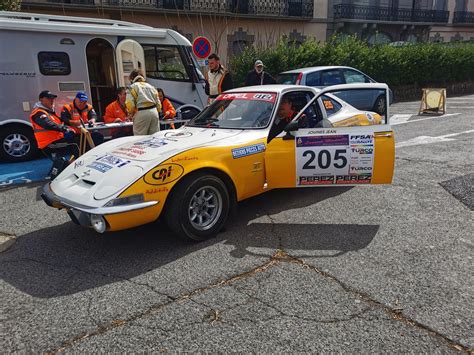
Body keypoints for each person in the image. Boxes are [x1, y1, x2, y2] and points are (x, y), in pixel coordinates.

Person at [29, 90, 78, 157]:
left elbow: (60, 122)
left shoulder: (49, 111)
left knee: (79, 138)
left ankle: (64, 162)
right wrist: (65, 128)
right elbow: (48, 124)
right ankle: (77, 164)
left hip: (56, 139)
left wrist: (72, 124)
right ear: (41, 100)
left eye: (52, 99)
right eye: (49, 98)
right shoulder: (38, 112)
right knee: (76, 143)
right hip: (48, 143)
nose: (51, 100)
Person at [126, 69, 162, 135]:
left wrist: (130, 113)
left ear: (132, 78)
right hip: (154, 113)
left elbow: (130, 104)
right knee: (155, 137)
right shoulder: (151, 87)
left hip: (141, 113)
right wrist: (158, 111)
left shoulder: (132, 87)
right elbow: (158, 104)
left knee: (139, 138)